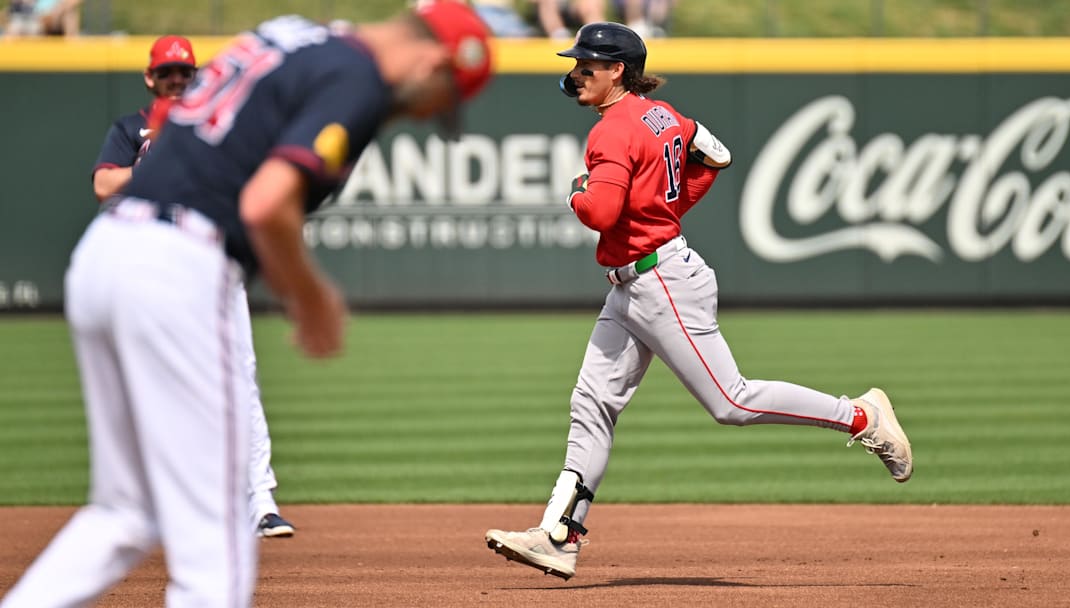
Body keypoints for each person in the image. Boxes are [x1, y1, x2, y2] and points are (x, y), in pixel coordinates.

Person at [1, 3, 492, 606]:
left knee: (123, 515)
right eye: (438, 100)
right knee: (220, 534)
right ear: (435, 61)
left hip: (106, 252)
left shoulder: (293, 32)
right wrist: (310, 298)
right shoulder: (358, 77)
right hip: (177, 266)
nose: (423, 115)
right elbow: (266, 202)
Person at [484, 22, 912, 581]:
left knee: (731, 401)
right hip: (637, 282)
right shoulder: (661, 114)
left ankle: (863, 415)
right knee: (592, 404)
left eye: (587, 64)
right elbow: (714, 155)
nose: (576, 72)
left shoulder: (613, 130)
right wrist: (668, 212)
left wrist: (575, 191)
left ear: (617, 71)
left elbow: (601, 213)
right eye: (575, 63)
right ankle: (559, 535)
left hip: (661, 283)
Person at [91, 34, 297, 541]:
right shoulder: (130, 128)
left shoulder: (215, 126)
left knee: (241, 375)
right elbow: (101, 185)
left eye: (185, 73)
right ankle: (161, 501)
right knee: (153, 380)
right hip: (148, 266)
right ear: (150, 77)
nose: (176, 81)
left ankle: (260, 499)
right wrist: (145, 165)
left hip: (214, 259)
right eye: (167, 73)